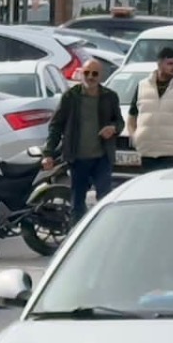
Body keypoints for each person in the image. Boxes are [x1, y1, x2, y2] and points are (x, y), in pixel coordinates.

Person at [44, 58, 124, 224]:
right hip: (78, 158)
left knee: (104, 199)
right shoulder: (70, 97)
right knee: (77, 202)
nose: (90, 77)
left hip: (102, 157)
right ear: (81, 74)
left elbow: (120, 122)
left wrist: (113, 128)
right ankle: (77, 236)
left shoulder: (110, 97)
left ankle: (105, 231)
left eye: (94, 73)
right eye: (86, 73)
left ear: (101, 76)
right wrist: (48, 153)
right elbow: (56, 125)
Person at [126, 47, 173, 172]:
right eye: (170, 64)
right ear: (159, 64)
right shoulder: (142, 85)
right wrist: (134, 136)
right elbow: (132, 116)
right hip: (147, 153)